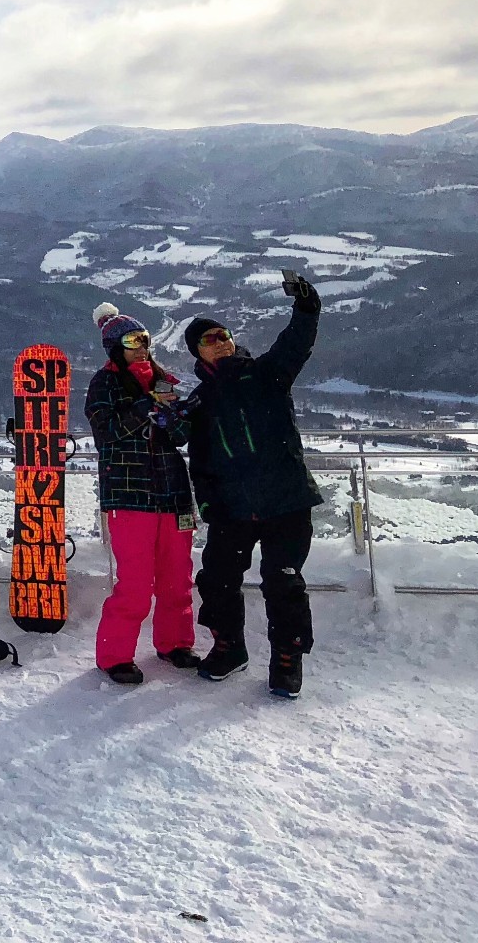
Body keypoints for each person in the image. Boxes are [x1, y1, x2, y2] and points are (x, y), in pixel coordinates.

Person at [183, 273, 324, 699]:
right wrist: (208, 507)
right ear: (198, 350)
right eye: (211, 338)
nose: (222, 341)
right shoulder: (201, 402)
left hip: (286, 502)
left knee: (282, 581)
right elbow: (201, 464)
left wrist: (306, 307)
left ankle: (287, 659)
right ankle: (229, 648)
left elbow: (296, 344)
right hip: (232, 508)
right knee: (218, 578)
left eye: (225, 334)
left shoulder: (267, 374)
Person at [84, 306, 200, 685]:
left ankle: (175, 643)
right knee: (134, 583)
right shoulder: (105, 383)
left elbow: (184, 437)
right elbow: (106, 434)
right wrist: (145, 408)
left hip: (172, 491)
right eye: (132, 341)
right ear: (114, 347)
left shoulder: (164, 380)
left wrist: (174, 420)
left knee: (177, 577)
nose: (141, 347)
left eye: (145, 340)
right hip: (129, 493)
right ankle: (114, 656)